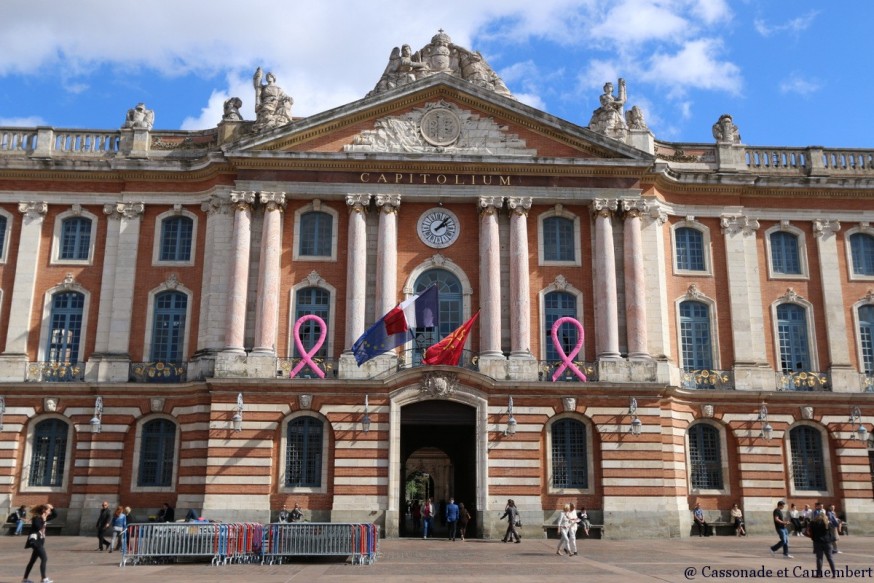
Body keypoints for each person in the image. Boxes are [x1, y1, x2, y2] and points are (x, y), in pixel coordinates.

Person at [22, 502, 56, 583]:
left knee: (32, 561)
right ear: (44, 510)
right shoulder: (37, 518)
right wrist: (44, 520)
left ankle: (25, 579)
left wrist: (52, 507)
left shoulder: (45, 517)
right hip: (35, 541)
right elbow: (38, 527)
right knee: (44, 558)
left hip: (40, 542)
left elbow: (55, 515)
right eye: (49, 510)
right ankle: (44, 579)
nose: (50, 512)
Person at [809, 502, 835, 578]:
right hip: (827, 542)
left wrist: (814, 539)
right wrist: (830, 540)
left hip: (818, 542)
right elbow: (831, 533)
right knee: (830, 558)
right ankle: (834, 574)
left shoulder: (814, 523)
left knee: (819, 558)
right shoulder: (828, 524)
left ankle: (819, 574)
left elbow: (812, 533)